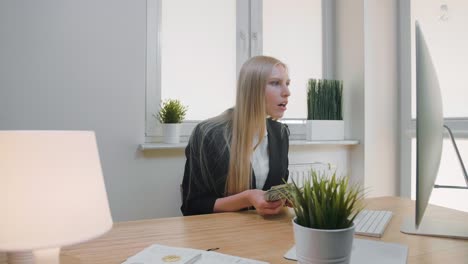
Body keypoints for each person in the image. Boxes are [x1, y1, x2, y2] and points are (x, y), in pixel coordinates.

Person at [180, 55, 291, 216]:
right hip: (221, 234)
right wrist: (247, 198)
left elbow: (277, 190)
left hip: (266, 231)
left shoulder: (280, 133)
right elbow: (193, 206)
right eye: (275, 83)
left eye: (287, 83)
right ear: (252, 88)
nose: (287, 92)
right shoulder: (208, 133)